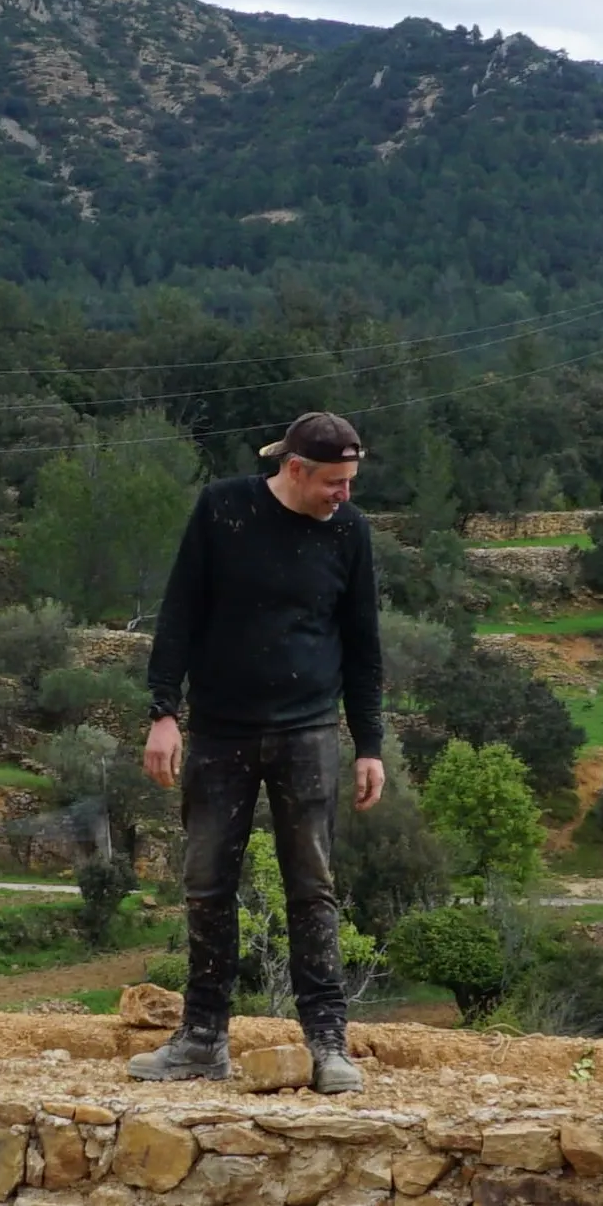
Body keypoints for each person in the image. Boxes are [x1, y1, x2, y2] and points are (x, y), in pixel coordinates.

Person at [132, 410, 391, 1093]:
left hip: (309, 731)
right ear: (295, 469)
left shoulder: (350, 533)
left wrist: (370, 744)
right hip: (220, 729)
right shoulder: (224, 510)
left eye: (351, 482)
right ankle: (200, 1038)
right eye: (334, 482)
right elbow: (179, 612)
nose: (344, 495)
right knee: (207, 884)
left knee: (313, 889)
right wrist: (164, 712)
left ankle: (328, 1044)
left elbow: (364, 644)